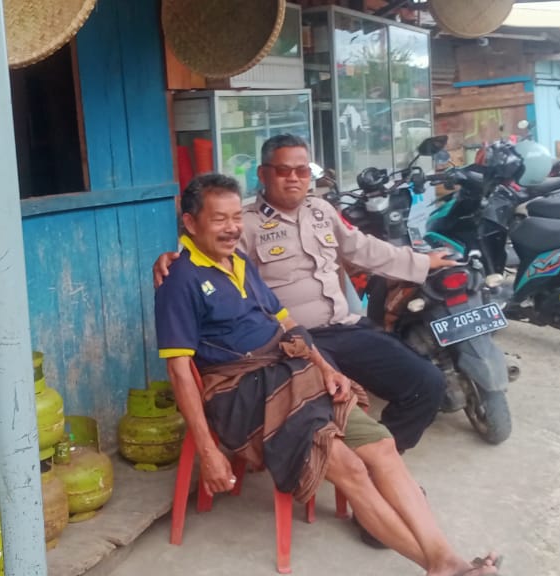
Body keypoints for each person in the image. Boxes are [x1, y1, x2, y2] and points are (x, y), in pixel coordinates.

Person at [156, 173, 500, 576]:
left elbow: (286, 322)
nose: (233, 228)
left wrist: (324, 367)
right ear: (190, 223)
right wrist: (209, 451)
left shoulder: (239, 261)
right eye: (219, 219)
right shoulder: (179, 281)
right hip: (245, 393)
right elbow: (180, 373)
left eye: (236, 217)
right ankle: (442, 567)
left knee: (383, 447)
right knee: (351, 470)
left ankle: (447, 561)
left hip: (295, 373)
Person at [156, 134, 454, 454]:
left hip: (344, 327)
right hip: (293, 343)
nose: (294, 178)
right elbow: (204, 257)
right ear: (263, 174)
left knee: (427, 382)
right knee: (334, 402)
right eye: (284, 170)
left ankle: (384, 458)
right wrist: (170, 259)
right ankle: (354, 465)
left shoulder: (321, 210)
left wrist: (423, 262)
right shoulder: (245, 224)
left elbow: (363, 248)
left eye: (302, 171)